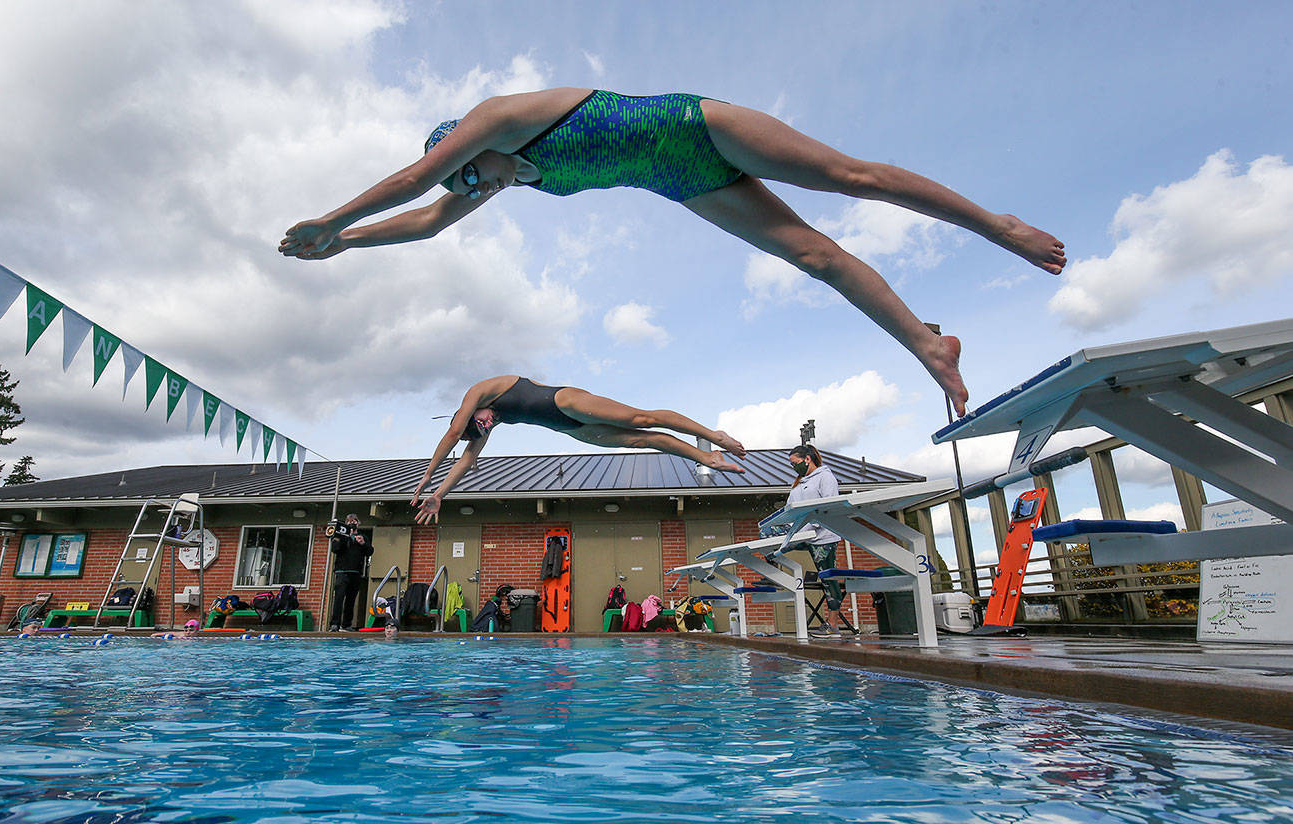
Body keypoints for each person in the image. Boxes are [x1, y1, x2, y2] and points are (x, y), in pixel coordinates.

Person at [278, 88, 1067, 416]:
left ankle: (996, 226)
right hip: (682, 183)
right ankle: (929, 346)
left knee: (848, 177)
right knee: (815, 259)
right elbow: (425, 222)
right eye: (469, 186)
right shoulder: (497, 180)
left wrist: (328, 216)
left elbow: (415, 184)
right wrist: (343, 246)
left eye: (466, 178)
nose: (472, 191)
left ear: (462, 149)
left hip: (697, 127)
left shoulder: (492, 121)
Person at [409, 375, 746, 525]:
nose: (486, 425)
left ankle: (711, 435)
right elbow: (467, 459)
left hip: (565, 402)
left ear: (466, 413)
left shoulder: (478, 394)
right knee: (643, 440)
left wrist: (426, 476)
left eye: (479, 422)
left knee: (641, 419)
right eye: (482, 429)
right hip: (569, 427)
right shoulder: (487, 421)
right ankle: (705, 457)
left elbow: (455, 435)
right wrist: (440, 493)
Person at [779, 444, 847, 638]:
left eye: (795, 463)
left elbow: (829, 508)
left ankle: (832, 624)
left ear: (807, 459)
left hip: (823, 537)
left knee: (827, 578)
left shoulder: (825, 477)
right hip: (802, 534)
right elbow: (790, 511)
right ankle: (772, 573)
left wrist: (808, 529)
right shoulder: (799, 484)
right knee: (768, 533)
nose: (794, 467)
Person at [329, 513, 374, 632]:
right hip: (342, 571)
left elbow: (369, 552)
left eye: (354, 521)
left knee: (351, 600)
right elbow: (335, 549)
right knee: (339, 598)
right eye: (349, 522)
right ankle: (335, 624)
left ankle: (346, 624)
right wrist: (345, 537)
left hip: (356, 572)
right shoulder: (339, 535)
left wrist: (363, 543)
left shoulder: (363, 537)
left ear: (358, 523)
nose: (352, 523)